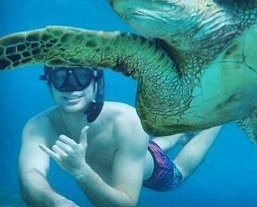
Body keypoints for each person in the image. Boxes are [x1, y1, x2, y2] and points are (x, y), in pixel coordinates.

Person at [19, 66, 222, 207]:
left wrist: (82, 171)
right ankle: (178, 133)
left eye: (81, 76)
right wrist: (57, 202)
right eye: (61, 77)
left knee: (176, 175)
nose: (71, 87)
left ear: (96, 82)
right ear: (49, 83)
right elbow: (30, 175)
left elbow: (125, 203)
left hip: (149, 164)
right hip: (132, 151)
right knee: (150, 145)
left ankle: (220, 115)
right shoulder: (37, 126)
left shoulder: (128, 121)